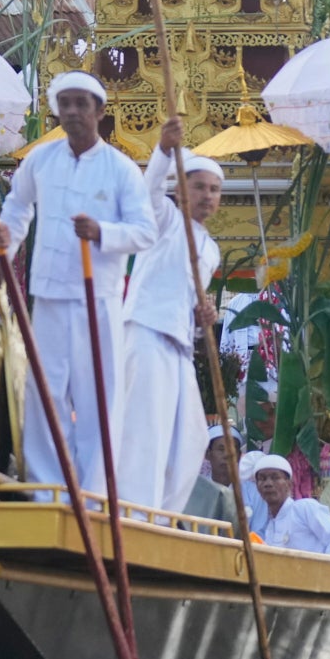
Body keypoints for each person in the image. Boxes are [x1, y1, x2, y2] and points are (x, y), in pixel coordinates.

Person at [0, 73, 156, 495]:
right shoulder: (40, 161)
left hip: (96, 298)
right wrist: (1, 256)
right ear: (56, 110)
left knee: (98, 395)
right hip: (48, 294)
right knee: (46, 393)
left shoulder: (121, 170)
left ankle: (96, 492)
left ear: (100, 111)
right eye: (65, 104)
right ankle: (48, 489)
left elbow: (144, 232)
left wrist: (103, 232)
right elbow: (16, 210)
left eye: (82, 104)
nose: (73, 112)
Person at [118, 119, 222, 513]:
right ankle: (134, 511)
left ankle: (161, 516)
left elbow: (191, 306)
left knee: (192, 435)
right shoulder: (163, 219)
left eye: (214, 190)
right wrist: (163, 151)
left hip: (177, 342)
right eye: (198, 186)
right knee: (146, 428)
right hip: (146, 332)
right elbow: (147, 194)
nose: (207, 196)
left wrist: (202, 317)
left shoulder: (210, 249)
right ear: (180, 189)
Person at [240, 451, 330, 555]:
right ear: (257, 488)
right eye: (262, 478)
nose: (268, 483)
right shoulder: (270, 528)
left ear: (289, 484)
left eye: (275, 477)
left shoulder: (304, 509)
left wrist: (324, 572)